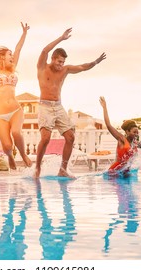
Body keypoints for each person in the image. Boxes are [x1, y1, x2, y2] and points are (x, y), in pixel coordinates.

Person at [34, 27, 106, 178]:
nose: (61, 64)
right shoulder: (42, 66)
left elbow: (82, 67)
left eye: (63, 62)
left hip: (58, 107)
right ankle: (37, 168)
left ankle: (63, 169)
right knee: (45, 138)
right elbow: (44, 51)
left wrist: (96, 62)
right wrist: (61, 37)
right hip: (45, 106)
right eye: (59, 61)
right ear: (53, 59)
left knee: (70, 137)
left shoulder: (65, 70)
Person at [0, 10, 32, 170]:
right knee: (7, 145)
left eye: (12, 54)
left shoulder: (12, 69)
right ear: (2, 57)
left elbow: (18, 49)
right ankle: (10, 156)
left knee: (17, 133)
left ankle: (23, 156)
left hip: (16, 110)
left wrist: (24, 33)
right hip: (0, 115)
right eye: (9, 54)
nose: (12, 56)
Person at [99, 96, 141, 176]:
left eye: (137, 132)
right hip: (115, 173)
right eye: (134, 132)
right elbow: (108, 125)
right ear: (127, 132)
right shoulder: (121, 139)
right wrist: (104, 107)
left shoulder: (135, 143)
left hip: (126, 173)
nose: (136, 134)